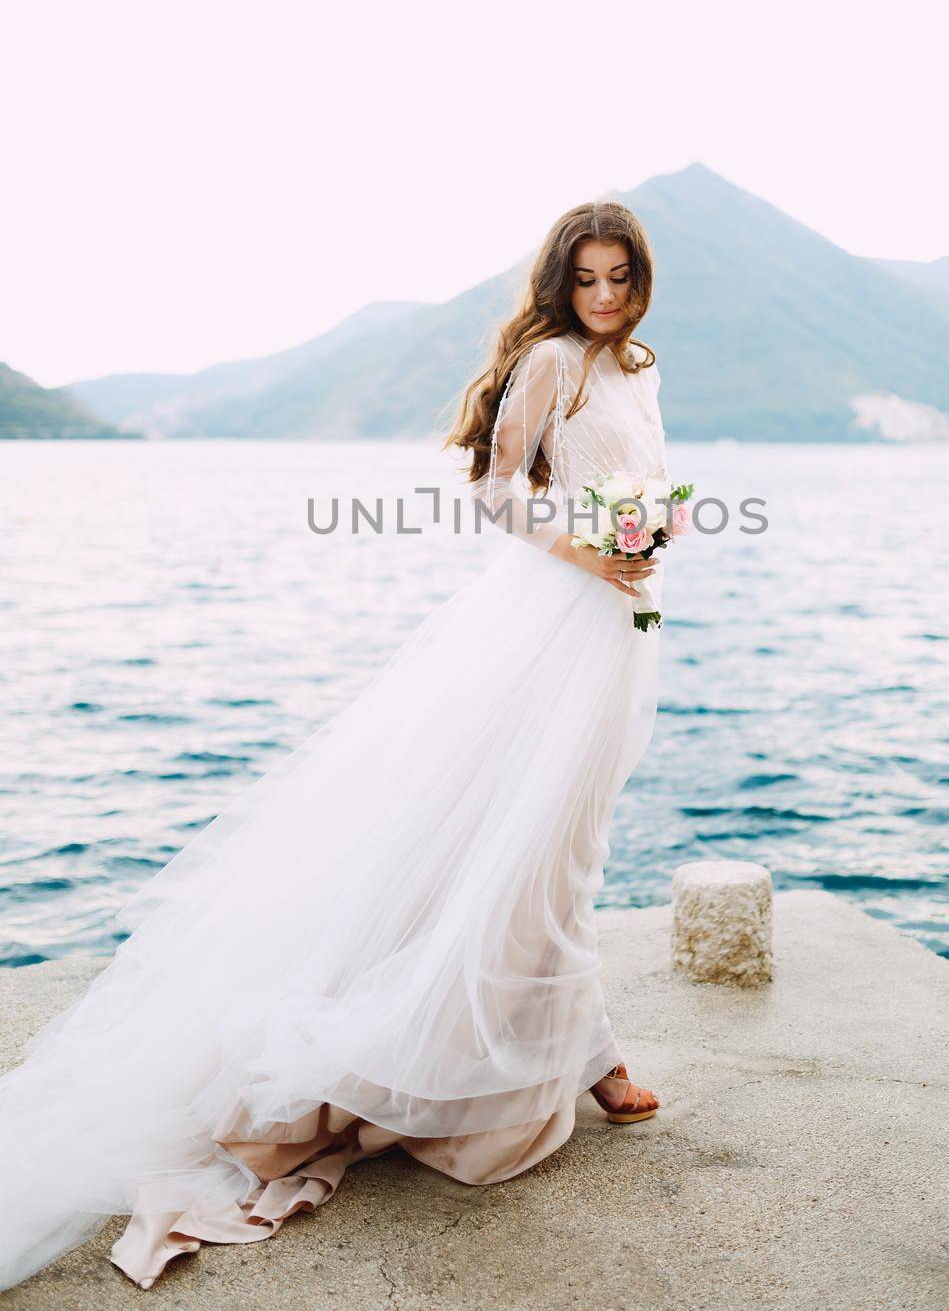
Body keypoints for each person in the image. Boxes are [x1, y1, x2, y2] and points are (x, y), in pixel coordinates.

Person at [0, 199, 670, 1292]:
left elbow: (641, 484)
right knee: (528, 841)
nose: (602, 298)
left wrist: (646, 537)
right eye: (586, 280)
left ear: (640, 280)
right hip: (550, 619)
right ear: (561, 284)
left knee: (573, 839)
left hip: (620, 630)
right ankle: (589, 1056)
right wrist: (586, 553)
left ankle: (576, 1042)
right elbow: (498, 489)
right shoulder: (554, 361)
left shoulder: (639, 369)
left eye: (618, 279)